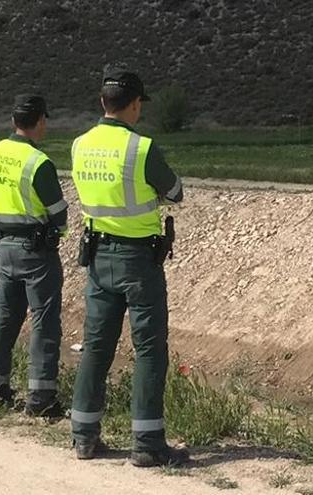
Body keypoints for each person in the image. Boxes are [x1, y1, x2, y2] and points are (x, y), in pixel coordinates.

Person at [70, 64, 185, 467]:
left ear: (103, 102)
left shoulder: (79, 144)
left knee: (96, 348)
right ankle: (147, 443)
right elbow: (174, 190)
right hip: (139, 259)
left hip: (98, 257)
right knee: (150, 350)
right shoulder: (142, 147)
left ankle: (83, 436)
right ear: (134, 104)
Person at [0, 94, 68, 418]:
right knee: (44, 324)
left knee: (5, 320)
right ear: (40, 121)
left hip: (5, 248)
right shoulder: (38, 162)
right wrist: (58, 233)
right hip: (36, 251)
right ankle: (41, 397)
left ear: (13, 121)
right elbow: (58, 212)